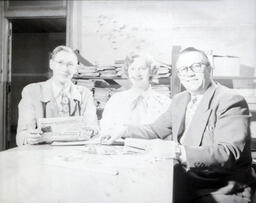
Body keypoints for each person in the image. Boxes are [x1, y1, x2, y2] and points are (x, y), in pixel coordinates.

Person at [101, 47, 256, 203]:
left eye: (196, 66)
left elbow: (227, 152)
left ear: (209, 68)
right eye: (182, 69)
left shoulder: (230, 99)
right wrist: (123, 130)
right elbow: (155, 130)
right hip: (186, 181)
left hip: (222, 188)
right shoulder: (180, 100)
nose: (188, 73)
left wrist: (177, 152)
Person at [16, 45, 98, 146]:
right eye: (60, 63)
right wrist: (29, 138)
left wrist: (91, 131)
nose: (65, 68)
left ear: (76, 68)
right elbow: (21, 136)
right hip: (42, 156)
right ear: (51, 64)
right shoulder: (31, 92)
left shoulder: (85, 94)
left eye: (70, 64)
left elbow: (93, 128)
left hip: (75, 155)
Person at [100, 53, 171, 141]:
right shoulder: (116, 100)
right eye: (132, 69)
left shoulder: (164, 102)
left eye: (142, 68)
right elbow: (106, 129)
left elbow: (166, 134)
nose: (136, 73)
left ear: (151, 71)